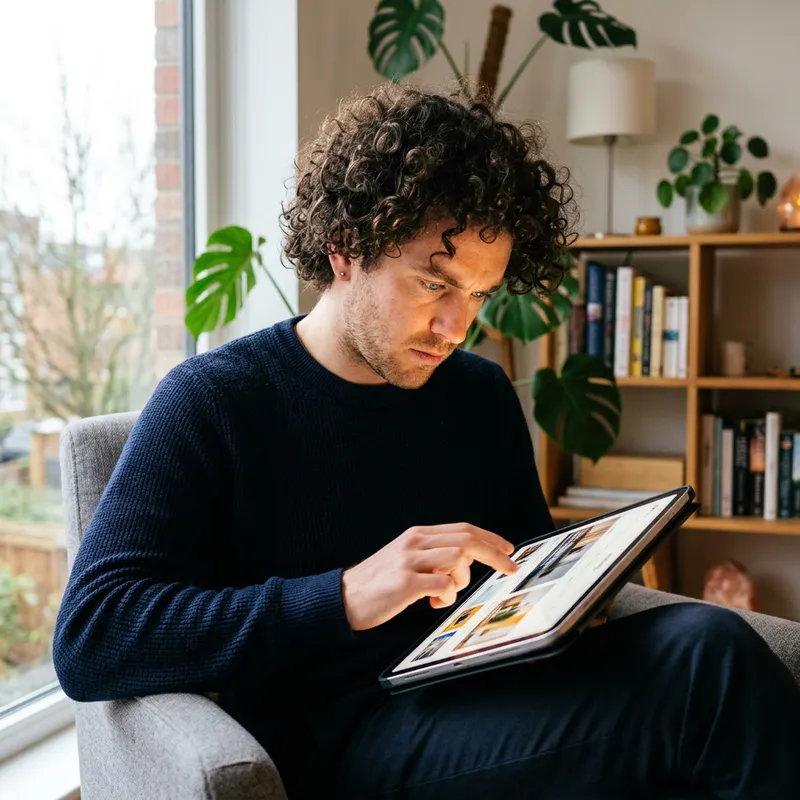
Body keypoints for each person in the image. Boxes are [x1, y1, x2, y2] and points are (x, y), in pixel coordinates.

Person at [53, 85, 800, 799]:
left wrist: (575, 585)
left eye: (477, 295)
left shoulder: (475, 393)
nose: (457, 327)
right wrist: (345, 596)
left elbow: (525, 572)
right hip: (341, 739)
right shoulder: (214, 401)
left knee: (705, 655)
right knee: (710, 665)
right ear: (346, 248)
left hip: (488, 697)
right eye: (433, 284)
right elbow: (93, 636)